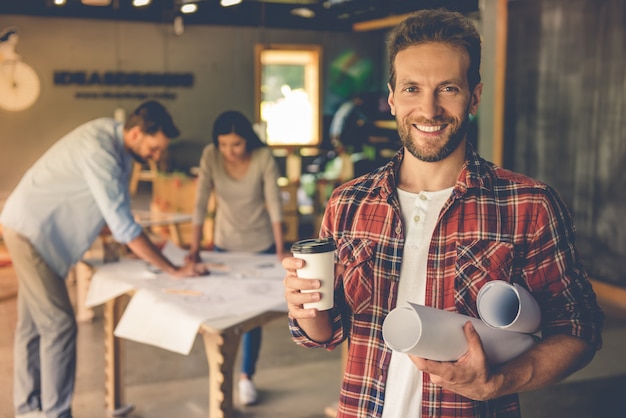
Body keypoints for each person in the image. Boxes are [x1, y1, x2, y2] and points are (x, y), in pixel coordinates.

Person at [282, 8, 604, 418]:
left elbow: (578, 329)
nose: (429, 109)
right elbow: (326, 335)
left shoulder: (528, 205)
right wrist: (306, 308)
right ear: (393, 98)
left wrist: (501, 382)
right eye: (413, 89)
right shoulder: (349, 203)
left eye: (448, 88)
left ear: (475, 96)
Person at [1, 100, 208, 418]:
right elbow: (124, 227)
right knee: (58, 325)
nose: (156, 157)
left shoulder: (120, 150)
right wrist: (172, 269)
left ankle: (28, 410)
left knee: (32, 326)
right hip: (32, 235)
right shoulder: (101, 150)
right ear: (137, 133)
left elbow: (116, 215)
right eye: (154, 148)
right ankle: (55, 413)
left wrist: (138, 248)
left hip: (35, 234)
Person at [186, 110, 285, 406]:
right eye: (224, 144)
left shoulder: (262, 158)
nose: (229, 151)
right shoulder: (211, 156)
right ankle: (221, 378)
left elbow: (274, 204)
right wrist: (194, 248)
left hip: (261, 245)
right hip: (224, 245)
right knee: (226, 313)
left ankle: (246, 377)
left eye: (236, 144)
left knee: (252, 318)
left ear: (248, 140)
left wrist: (281, 249)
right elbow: (201, 201)